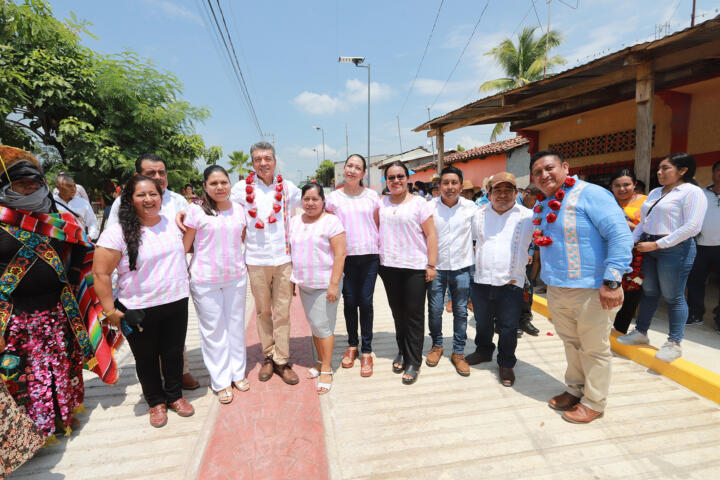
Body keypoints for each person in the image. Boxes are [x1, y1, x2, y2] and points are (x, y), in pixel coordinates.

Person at [0, 146, 118, 440]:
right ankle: (31, 434)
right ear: (6, 186)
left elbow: (81, 256)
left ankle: (63, 417)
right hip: (15, 317)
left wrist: (84, 283)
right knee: (24, 377)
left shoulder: (59, 222)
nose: (29, 188)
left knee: (63, 367)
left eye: (34, 183)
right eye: (20, 183)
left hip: (57, 313)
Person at [530, 150, 632, 424]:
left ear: (565, 167)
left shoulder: (592, 194)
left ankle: (595, 401)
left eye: (549, 168)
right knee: (571, 343)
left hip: (593, 288)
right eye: (537, 172)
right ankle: (575, 389)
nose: (544, 175)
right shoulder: (544, 203)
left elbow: (620, 235)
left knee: (594, 348)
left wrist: (612, 281)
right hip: (557, 287)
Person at [94, 176, 193, 428]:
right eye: (141, 195)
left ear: (161, 197)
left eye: (154, 194)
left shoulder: (173, 224)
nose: (149, 199)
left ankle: (174, 396)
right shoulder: (117, 232)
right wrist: (109, 310)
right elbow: (101, 273)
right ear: (130, 199)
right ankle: (155, 402)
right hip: (138, 307)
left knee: (173, 354)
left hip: (175, 301)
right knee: (146, 358)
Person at [106, 153, 199, 390]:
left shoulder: (178, 200)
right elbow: (112, 247)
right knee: (147, 350)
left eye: (162, 173)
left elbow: (193, 229)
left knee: (174, 346)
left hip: (172, 288)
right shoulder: (122, 204)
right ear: (138, 177)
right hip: (138, 290)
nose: (158, 177)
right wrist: (113, 301)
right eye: (151, 173)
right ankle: (155, 394)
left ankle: (180, 377)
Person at [618, 153, 708, 362]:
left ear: (683, 170)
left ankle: (674, 342)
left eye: (665, 168)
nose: (659, 172)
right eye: (659, 168)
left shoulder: (692, 192)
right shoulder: (656, 192)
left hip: (674, 248)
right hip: (649, 246)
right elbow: (644, 221)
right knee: (649, 292)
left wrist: (657, 244)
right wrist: (633, 241)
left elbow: (692, 227)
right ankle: (641, 332)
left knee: (673, 296)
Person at [230, 141, 302, 385]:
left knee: (282, 312)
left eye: (267, 158)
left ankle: (282, 359)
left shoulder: (289, 188)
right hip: (256, 261)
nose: (263, 163)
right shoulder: (240, 189)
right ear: (252, 163)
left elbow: (310, 208)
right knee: (263, 312)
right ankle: (268, 356)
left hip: (283, 260)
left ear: (275, 160)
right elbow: (228, 216)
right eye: (258, 159)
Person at [182, 166, 249, 405]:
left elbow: (240, 240)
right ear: (205, 187)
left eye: (224, 182)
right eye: (214, 183)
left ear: (230, 185)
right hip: (205, 280)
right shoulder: (196, 212)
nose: (220, 187)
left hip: (235, 278)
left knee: (235, 327)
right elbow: (185, 247)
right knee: (214, 331)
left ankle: (238, 373)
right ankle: (220, 381)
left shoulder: (240, 210)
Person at [466, 172, 534, 387]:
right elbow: (474, 241)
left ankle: (506, 363)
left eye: (508, 190)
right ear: (489, 192)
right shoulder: (478, 215)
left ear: (516, 193)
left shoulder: (528, 216)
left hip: (511, 283)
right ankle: (484, 351)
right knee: (483, 323)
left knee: (508, 326)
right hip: (482, 279)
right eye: (497, 190)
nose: (502, 195)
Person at [377, 161, 437, 385]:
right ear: (386, 180)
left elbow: (431, 235)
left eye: (400, 176)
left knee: (413, 316)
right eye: (391, 177)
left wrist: (431, 265)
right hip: (389, 266)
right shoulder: (381, 202)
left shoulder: (420, 203)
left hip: (414, 267)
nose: (396, 181)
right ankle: (401, 351)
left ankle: (414, 361)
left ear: (407, 178)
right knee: (397, 313)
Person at [326, 154, 380, 377]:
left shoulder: (373, 197)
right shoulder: (332, 199)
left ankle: (366, 350)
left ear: (363, 173)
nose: (352, 170)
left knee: (365, 302)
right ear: (344, 169)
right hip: (344, 258)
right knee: (349, 302)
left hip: (369, 256)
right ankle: (352, 346)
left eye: (357, 167)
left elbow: (377, 223)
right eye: (349, 165)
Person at [290, 183, 346, 394]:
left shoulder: (332, 222)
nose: (311, 203)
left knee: (324, 327)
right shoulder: (295, 221)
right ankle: (319, 360)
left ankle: (326, 368)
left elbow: (340, 254)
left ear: (323, 201)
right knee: (314, 326)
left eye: (315, 199)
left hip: (326, 285)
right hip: (306, 284)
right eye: (307, 199)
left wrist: (333, 284)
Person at [426, 166, 476, 376]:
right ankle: (437, 345)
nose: (450, 187)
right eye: (445, 183)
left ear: (461, 186)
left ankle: (458, 352)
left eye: (454, 183)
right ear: (439, 186)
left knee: (461, 311)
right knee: (435, 310)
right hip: (436, 268)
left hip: (462, 268)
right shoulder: (429, 207)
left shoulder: (471, 208)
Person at [608, 169, 647, 334]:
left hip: (636, 255)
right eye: (617, 185)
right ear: (611, 187)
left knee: (630, 293)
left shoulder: (646, 202)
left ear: (634, 185)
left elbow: (648, 228)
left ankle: (620, 330)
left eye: (626, 185)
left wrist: (626, 222)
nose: (622, 189)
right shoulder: (607, 201)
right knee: (608, 289)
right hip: (609, 252)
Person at [687, 160, 720, 330]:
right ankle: (695, 314)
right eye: (719, 170)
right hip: (700, 246)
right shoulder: (701, 194)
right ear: (713, 173)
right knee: (695, 281)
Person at [518, 183, 542, 337]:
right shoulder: (514, 207)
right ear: (526, 194)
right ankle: (506, 321)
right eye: (534, 200)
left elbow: (534, 233)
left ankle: (524, 319)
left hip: (527, 256)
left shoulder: (535, 208)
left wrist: (531, 252)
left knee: (527, 288)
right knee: (509, 289)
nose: (535, 204)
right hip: (511, 257)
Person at [53, 173, 99, 241]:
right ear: (58, 187)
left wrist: (90, 236)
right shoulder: (51, 203)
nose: (73, 189)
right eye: (69, 186)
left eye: (74, 186)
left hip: (79, 242)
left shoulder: (83, 203)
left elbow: (92, 222)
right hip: (57, 241)